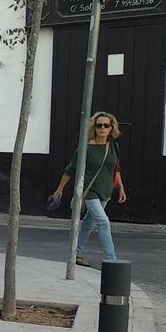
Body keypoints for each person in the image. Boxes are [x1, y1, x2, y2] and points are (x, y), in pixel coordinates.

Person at [50, 111, 127, 267]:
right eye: (99, 125)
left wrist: (120, 186)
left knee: (88, 224)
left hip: (106, 190)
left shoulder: (113, 146)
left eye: (106, 125)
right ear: (94, 127)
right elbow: (70, 169)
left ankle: (76, 253)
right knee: (103, 222)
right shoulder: (85, 149)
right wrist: (59, 189)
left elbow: (115, 168)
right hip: (89, 191)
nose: (102, 128)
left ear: (112, 128)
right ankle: (112, 259)